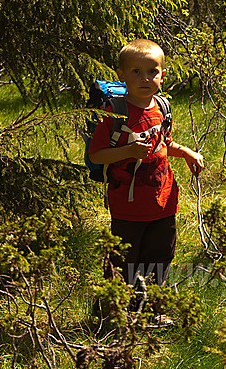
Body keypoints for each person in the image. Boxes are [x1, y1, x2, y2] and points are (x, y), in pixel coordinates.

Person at [86, 39, 205, 292]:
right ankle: (119, 311)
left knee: (159, 258)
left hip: (164, 202)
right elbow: (96, 156)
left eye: (152, 71)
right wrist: (128, 151)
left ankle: (153, 308)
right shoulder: (115, 113)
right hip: (127, 208)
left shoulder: (162, 107)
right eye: (136, 72)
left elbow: (164, 144)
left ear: (163, 75)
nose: (145, 78)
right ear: (121, 75)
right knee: (123, 261)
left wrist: (186, 153)